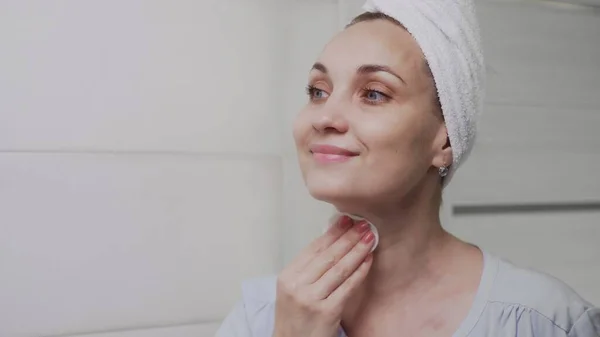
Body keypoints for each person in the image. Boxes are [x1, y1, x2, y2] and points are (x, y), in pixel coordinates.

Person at [216, 0, 600, 336]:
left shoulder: (546, 322)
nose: (326, 116)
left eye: (374, 93)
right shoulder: (263, 317)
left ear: (445, 140)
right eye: (318, 91)